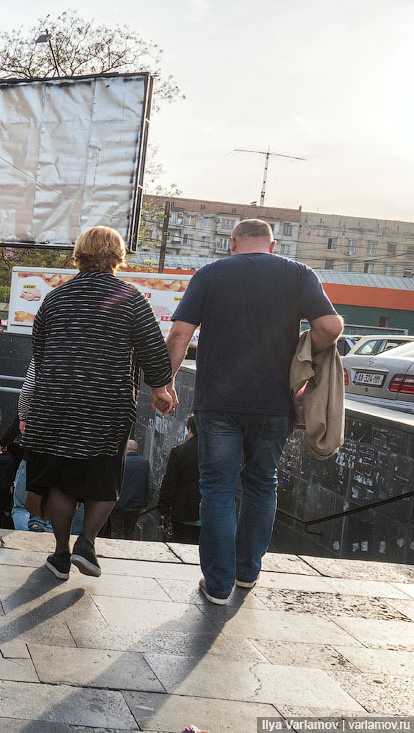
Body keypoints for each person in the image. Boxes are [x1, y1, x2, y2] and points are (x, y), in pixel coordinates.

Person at [164, 218, 343, 605]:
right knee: (262, 485)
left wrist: (165, 383)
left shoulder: (211, 274)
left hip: (219, 405)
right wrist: (303, 350)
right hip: (273, 404)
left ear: (232, 243)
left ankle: (218, 584)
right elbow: (330, 326)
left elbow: (180, 333)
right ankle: (247, 574)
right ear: (272, 245)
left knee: (218, 490)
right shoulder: (298, 274)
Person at [18, 226, 175, 581]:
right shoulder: (131, 298)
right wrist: (160, 386)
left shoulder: (55, 298)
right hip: (107, 406)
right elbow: (155, 356)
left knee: (62, 483)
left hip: (55, 406)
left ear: (80, 253)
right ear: (117, 256)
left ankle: (60, 554)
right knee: (105, 477)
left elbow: (39, 355)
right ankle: (87, 543)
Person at [158, 415, 201, 544]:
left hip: (183, 512)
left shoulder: (179, 451)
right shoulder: (216, 453)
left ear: (189, 430)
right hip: (210, 516)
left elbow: (170, 482)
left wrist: (164, 510)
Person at [106, 440, 151, 540]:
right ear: (136, 450)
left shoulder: (119, 462)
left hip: (117, 503)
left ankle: (114, 552)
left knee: (115, 531)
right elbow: (150, 484)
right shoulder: (145, 463)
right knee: (129, 532)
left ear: (126, 449)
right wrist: (146, 501)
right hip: (135, 505)